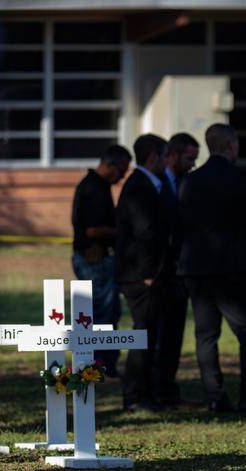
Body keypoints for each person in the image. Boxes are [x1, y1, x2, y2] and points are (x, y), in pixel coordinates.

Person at [178, 123, 246, 413]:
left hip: (197, 269)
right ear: (231, 145)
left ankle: (215, 395)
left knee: (206, 335)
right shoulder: (238, 177)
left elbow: (181, 224)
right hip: (233, 268)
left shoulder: (191, 181)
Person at [115, 134, 173, 411]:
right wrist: (148, 274)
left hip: (144, 274)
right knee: (142, 336)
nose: (166, 161)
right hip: (141, 276)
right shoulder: (140, 187)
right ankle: (136, 395)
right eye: (164, 155)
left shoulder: (148, 185)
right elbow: (144, 232)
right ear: (153, 156)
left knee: (148, 335)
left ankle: (144, 392)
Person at [71, 145, 132, 376]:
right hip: (94, 260)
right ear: (109, 164)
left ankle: (104, 364)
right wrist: (123, 231)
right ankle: (98, 365)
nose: (123, 176)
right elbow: (93, 231)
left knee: (108, 313)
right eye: (121, 170)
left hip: (96, 260)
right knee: (102, 316)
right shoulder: (94, 188)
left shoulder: (97, 186)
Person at [154, 133, 201, 406]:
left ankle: (167, 388)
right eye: (189, 158)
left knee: (173, 335)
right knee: (158, 335)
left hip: (180, 272)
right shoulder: (157, 184)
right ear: (172, 155)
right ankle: (156, 388)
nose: (192, 165)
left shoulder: (189, 184)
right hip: (161, 273)